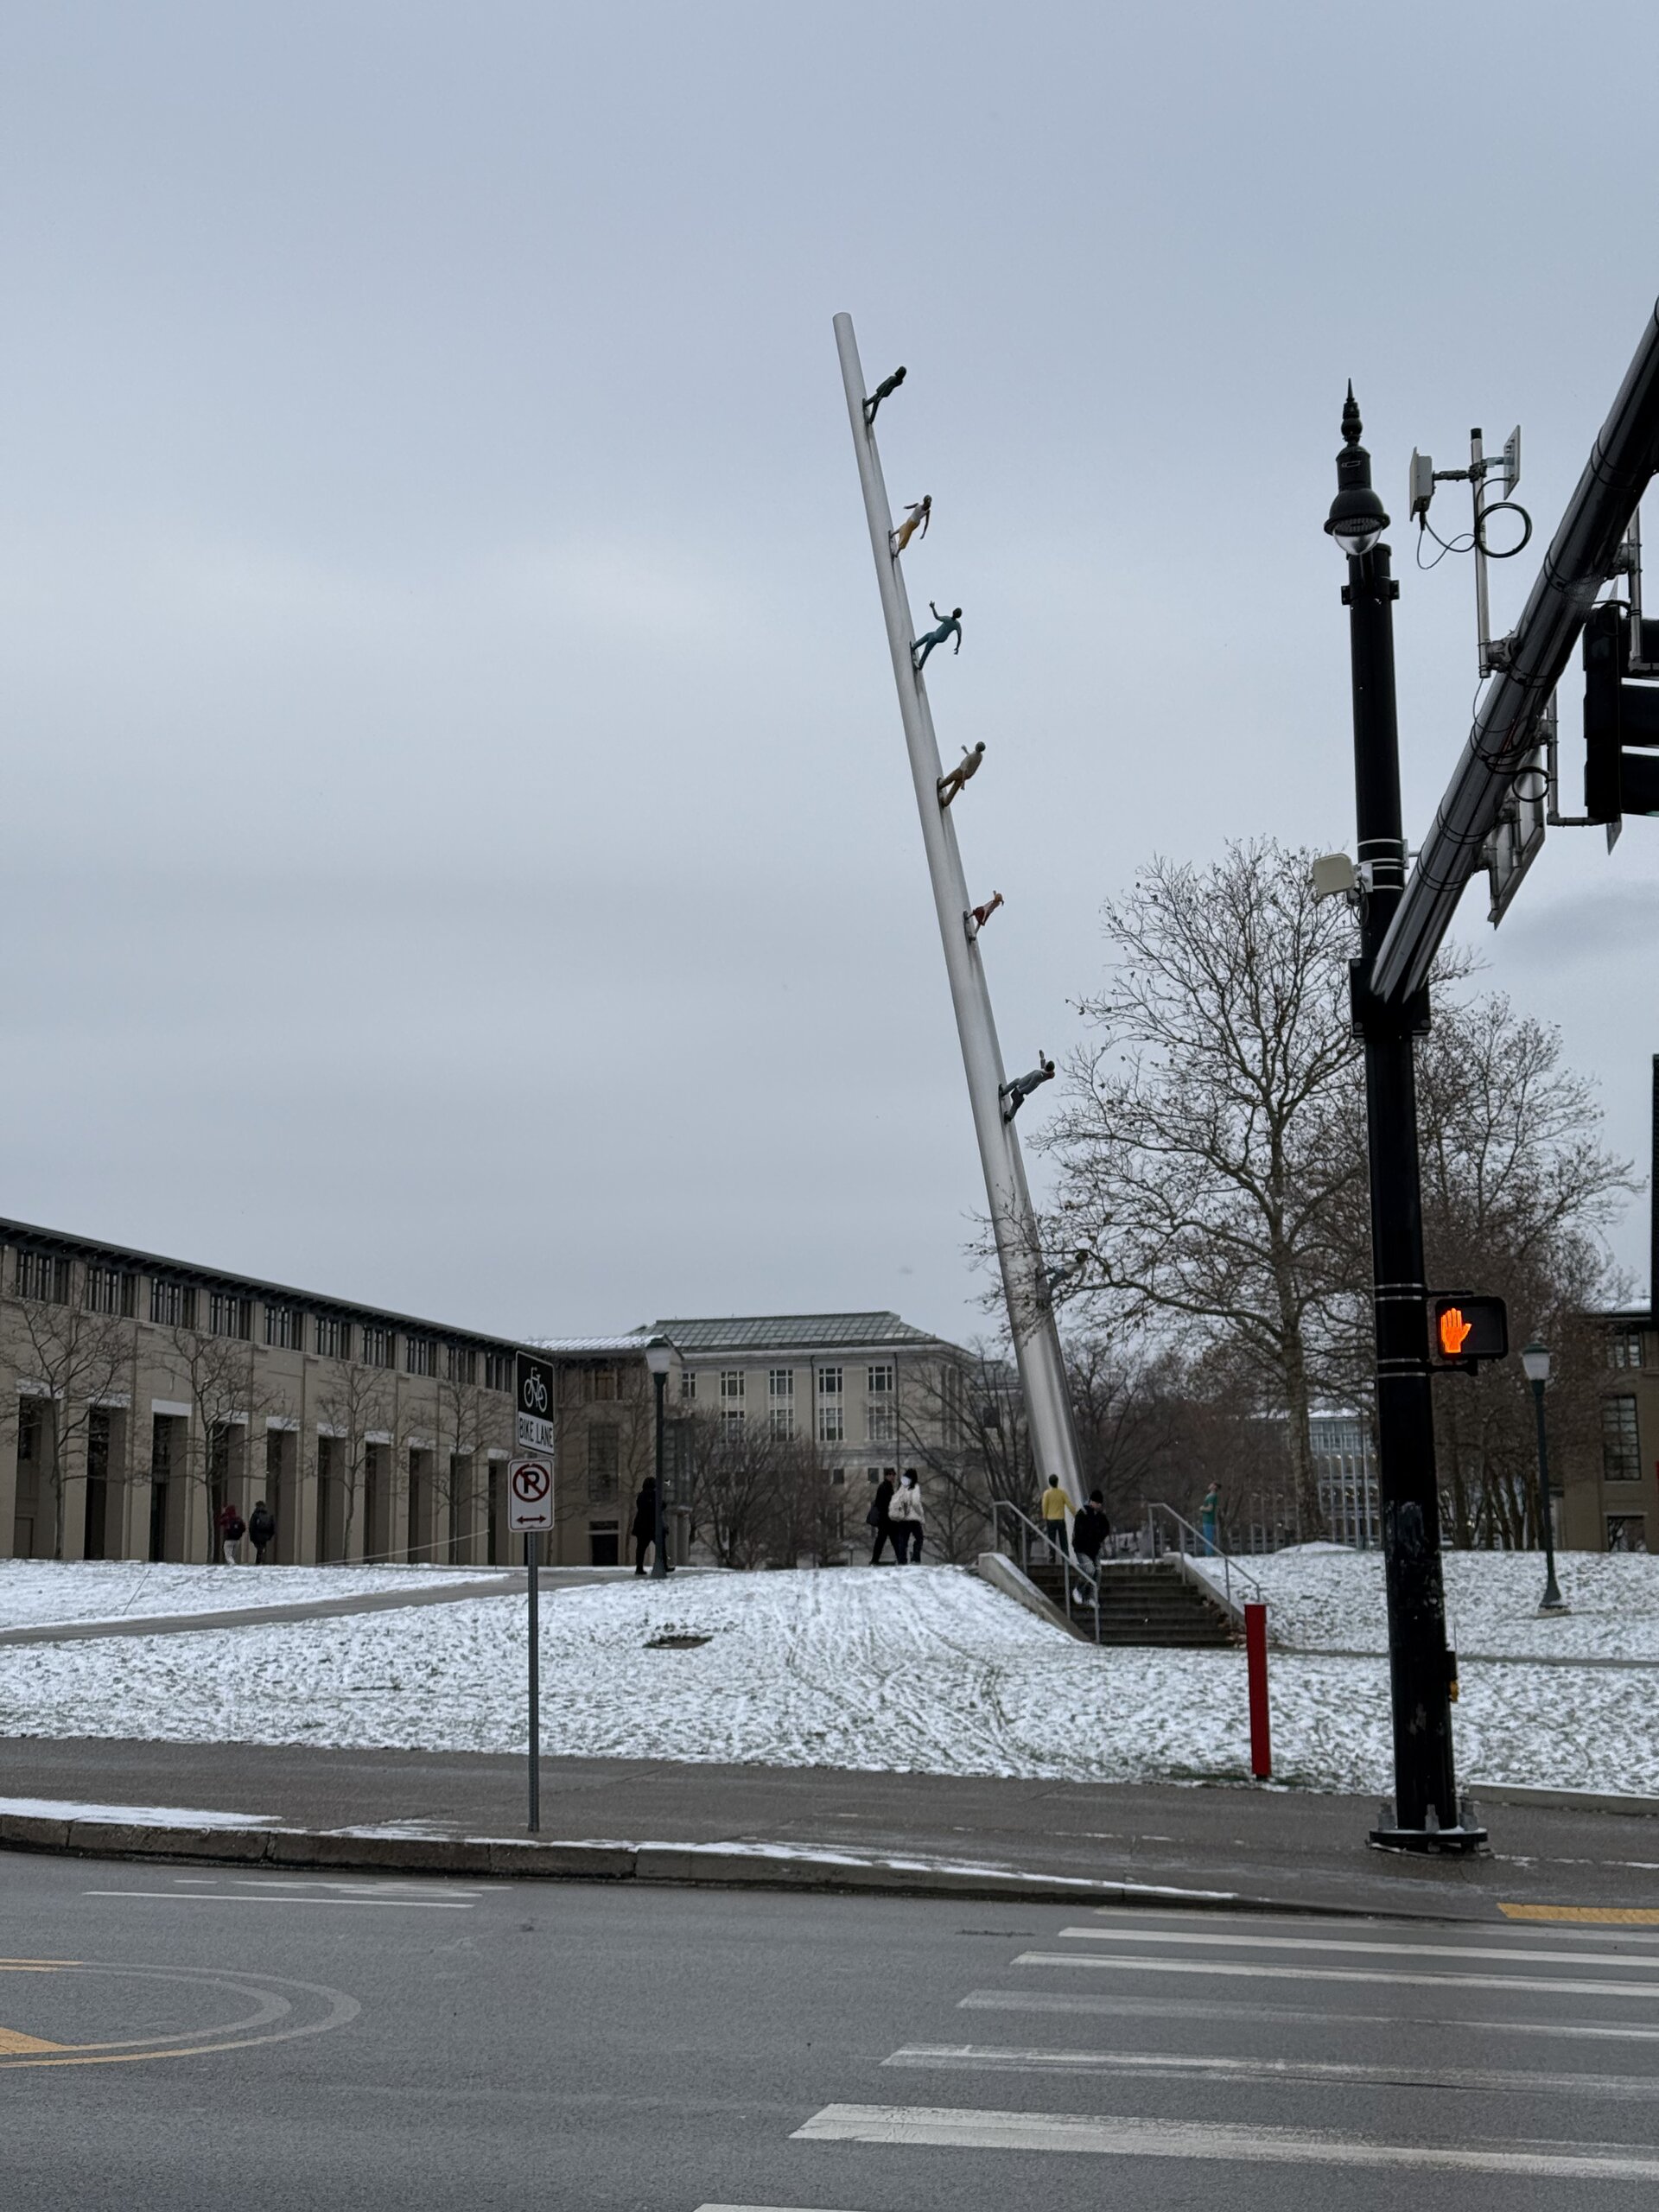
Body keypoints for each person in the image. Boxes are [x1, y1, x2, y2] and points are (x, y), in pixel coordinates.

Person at [1071, 1489, 1110, 1602]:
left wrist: (1099, 1536)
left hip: (1094, 1548)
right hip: (1082, 1548)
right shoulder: (1082, 1513)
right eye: (1096, 1503)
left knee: (1098, 1571)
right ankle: (1078, 1589)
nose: (1098, 1506)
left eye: (1099, 1504)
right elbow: (1080, 1531)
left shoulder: (1100, 1516)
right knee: (1089, 1570)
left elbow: (1105, 1529)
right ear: (1092, 1502)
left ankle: (1092, 1596)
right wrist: (1093, 1535)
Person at [911, 601, 963, 671]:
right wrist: (957, 647)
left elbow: (937, 617)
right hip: (941, 638)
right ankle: (915, 646)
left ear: (953, 612)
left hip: (936, 637)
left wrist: (933, 607)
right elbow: (959, 637)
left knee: (927, 648)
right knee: (928, 636)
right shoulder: (957, 625)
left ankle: (920, 666)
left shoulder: (947, 619)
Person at [890, 1470, 925, 1563]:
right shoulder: (915, 1487)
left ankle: (902, 1560)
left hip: (903, 1519)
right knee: (919, 1538)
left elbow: (895, 1501)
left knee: (903, 1541)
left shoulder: (901, 1487)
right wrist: (921, 1515)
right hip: (913, 1518)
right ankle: (915, 1558)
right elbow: (916, 1502)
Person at [867, 1471, 899, 1565]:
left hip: (886, 1521)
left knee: (883, 1541)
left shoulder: (885, 1486)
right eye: (892, 1475)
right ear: (887, 1476)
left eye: (894, 1475)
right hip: (887, 1520)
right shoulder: (885, 1487)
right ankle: (900, 1559)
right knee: (889, 1541)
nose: (893, 1477)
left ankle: (875, 1560)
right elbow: (885, 1504)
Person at [632, 1478, 658, 1577]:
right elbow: (661, 1505)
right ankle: (663, 1565)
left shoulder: (641, 1496)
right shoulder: (654, 1495)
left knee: (641, 1549)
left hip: (642, 1526)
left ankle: (639, 1568)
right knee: (661, 1546)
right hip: (652, 1526)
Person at [1039, 1475, 1070, 1560]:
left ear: (1050, 1483)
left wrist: (1045, 1516)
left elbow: (1044, 1506)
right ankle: (1065, 1557)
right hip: (1060, 1520)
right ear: (1057, 1482)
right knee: (1063, 1540)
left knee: (1052, 1540)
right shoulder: (1062, 1493)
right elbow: (1069, 1504)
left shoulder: (1047, 1493)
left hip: (1051, 1520)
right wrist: (1075, 1513)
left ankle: (1052, 1557)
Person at [215, 1498, 246, 1566]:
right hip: (237, 1540)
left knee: (228, 1556)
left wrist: (223, 1514)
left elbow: (220, 1522)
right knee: (233, 1556)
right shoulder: (239, 1520)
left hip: (229, 1539)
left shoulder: (227, 1519)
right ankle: (232, 1565)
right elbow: (244, 1528)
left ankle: (233, 1566)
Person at [248, 1497, 276, 1567]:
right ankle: (261, 1560)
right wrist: (270, 1536)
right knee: (261, 1547)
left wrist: (251, 1536)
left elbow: (252, 1526)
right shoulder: (268, 1515)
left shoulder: (255, 1515)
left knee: (259, 1548)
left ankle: (259, 1561)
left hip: (257, 1535)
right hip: (265, 1535)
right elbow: (272, 1526)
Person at [1200, 1482, 1220, 1556]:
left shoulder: (1213, 1496)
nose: (1209, 1485)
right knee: (1207, 1538)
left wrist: (1202, 1508)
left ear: (1214, 1486)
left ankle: (1209, 1555)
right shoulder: (1208, 1496)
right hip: (1206, 1520)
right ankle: (1208, 1554)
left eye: (1211, 1484)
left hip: (1209, 1520)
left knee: (1209, 1539)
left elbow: (1210, 1509)